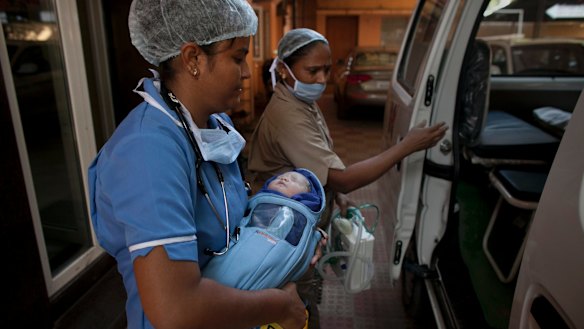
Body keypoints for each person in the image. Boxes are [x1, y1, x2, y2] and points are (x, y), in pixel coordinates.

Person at [88, 1, 312, 328]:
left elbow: (227, 226)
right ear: (193, 58)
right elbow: (176, 309)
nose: (248, 72)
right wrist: (279, 306)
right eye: (237, 58)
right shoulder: (147, 153)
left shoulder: (212, 125)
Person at [247, 28, 449, 328]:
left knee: (304, 298)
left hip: (298, 230)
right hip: (282, 235)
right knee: (297, 309)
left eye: (327, 69)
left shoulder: (301, 103)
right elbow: (343, 177)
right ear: (286, 71)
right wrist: (407, 146)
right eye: (312, 70)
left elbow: (318, 164)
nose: (321, 79)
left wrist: (332, 192)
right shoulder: (286, 115)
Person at [202, 169, 326, 292]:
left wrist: (315, 236)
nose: (283, 178)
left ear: (308, 196)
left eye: (294, 180)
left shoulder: (302, 218)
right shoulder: (257, 202)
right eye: (278, 177)